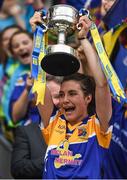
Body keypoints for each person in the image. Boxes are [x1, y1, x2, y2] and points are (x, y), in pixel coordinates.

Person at [30, 12, 112, 179]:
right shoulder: (54, 123)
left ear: (88, 98)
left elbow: (102, 84)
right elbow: (39, 82)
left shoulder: (97, 126)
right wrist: (38, 36)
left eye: (72, 94)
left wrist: (83, 39)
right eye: (61, 94)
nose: (64, 100)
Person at [10, 75, 62, 179]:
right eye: (48, 97)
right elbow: (17, 168)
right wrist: (53, 160)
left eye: (58, 96)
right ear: (37, 99)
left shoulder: (74, 129)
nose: (55, 102)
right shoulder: (26, 131)